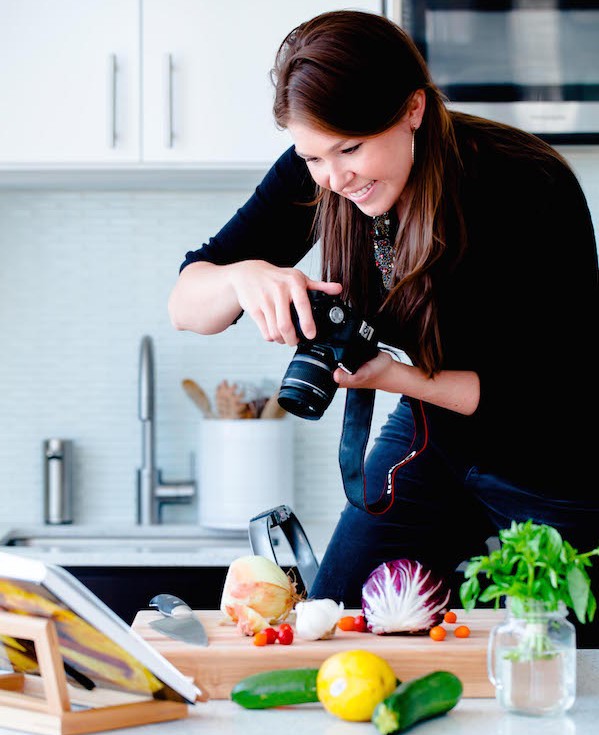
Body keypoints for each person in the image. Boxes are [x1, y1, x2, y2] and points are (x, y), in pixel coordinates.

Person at [168, 11, 599, 644]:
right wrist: (241, 278)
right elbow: (185, 304)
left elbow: (543, 390)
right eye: (313, 156)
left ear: (413, 110)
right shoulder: (319, 173)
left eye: (350, 149)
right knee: (330, 627)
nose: (336, 179)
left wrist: (394, 375)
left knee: (561, 661)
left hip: (555, 458)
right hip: (433, 438)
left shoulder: (524, 184)